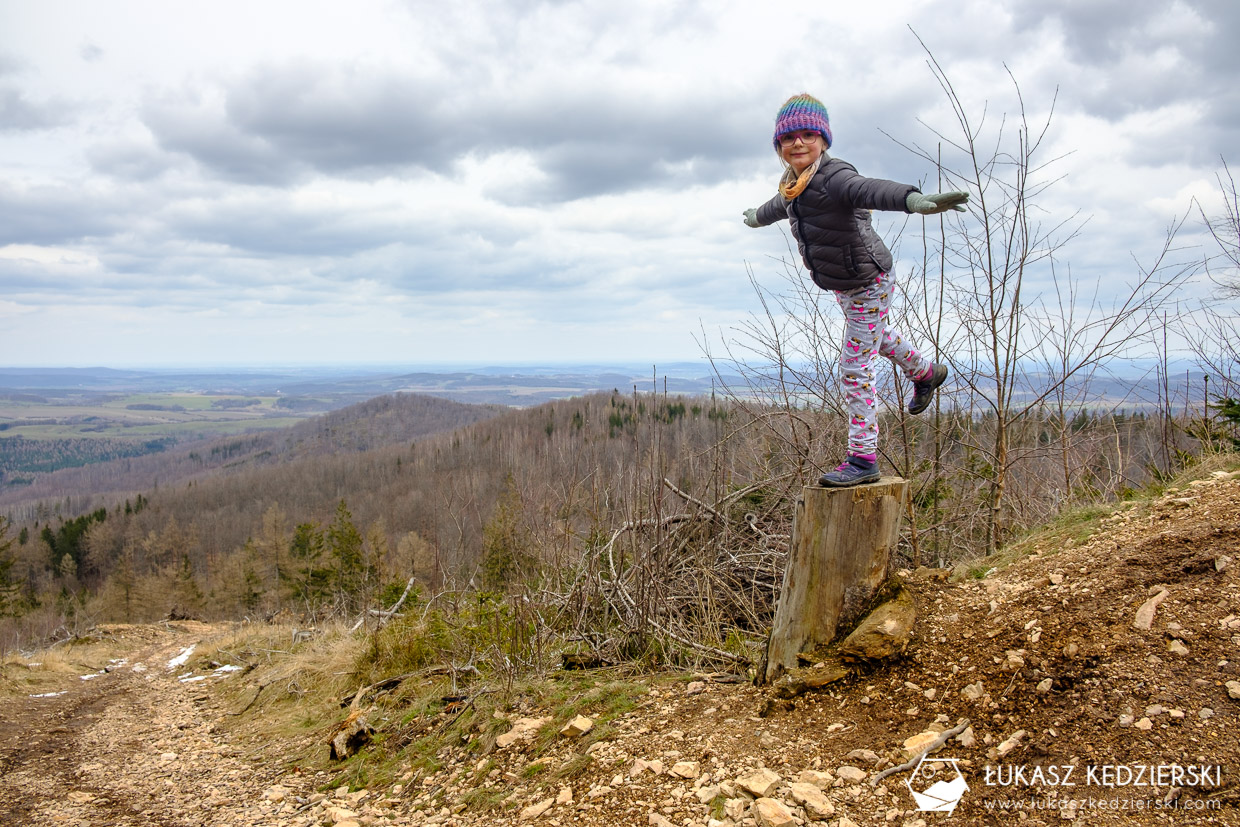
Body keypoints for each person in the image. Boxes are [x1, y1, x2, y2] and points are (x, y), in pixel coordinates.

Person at [742, 93, 967, 487]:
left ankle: (863, 459)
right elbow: (780, 206)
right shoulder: (795, 187)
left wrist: (912, 200)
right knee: (875, 340)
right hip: (845, 286)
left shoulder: (835, 178)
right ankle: (927, 372)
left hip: (869, 280)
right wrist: (757, 218)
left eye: (808, 134)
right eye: (789, 137)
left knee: (854, 367)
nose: (798, 143)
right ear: (779, 147)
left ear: (824, 141)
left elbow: (871, 189)